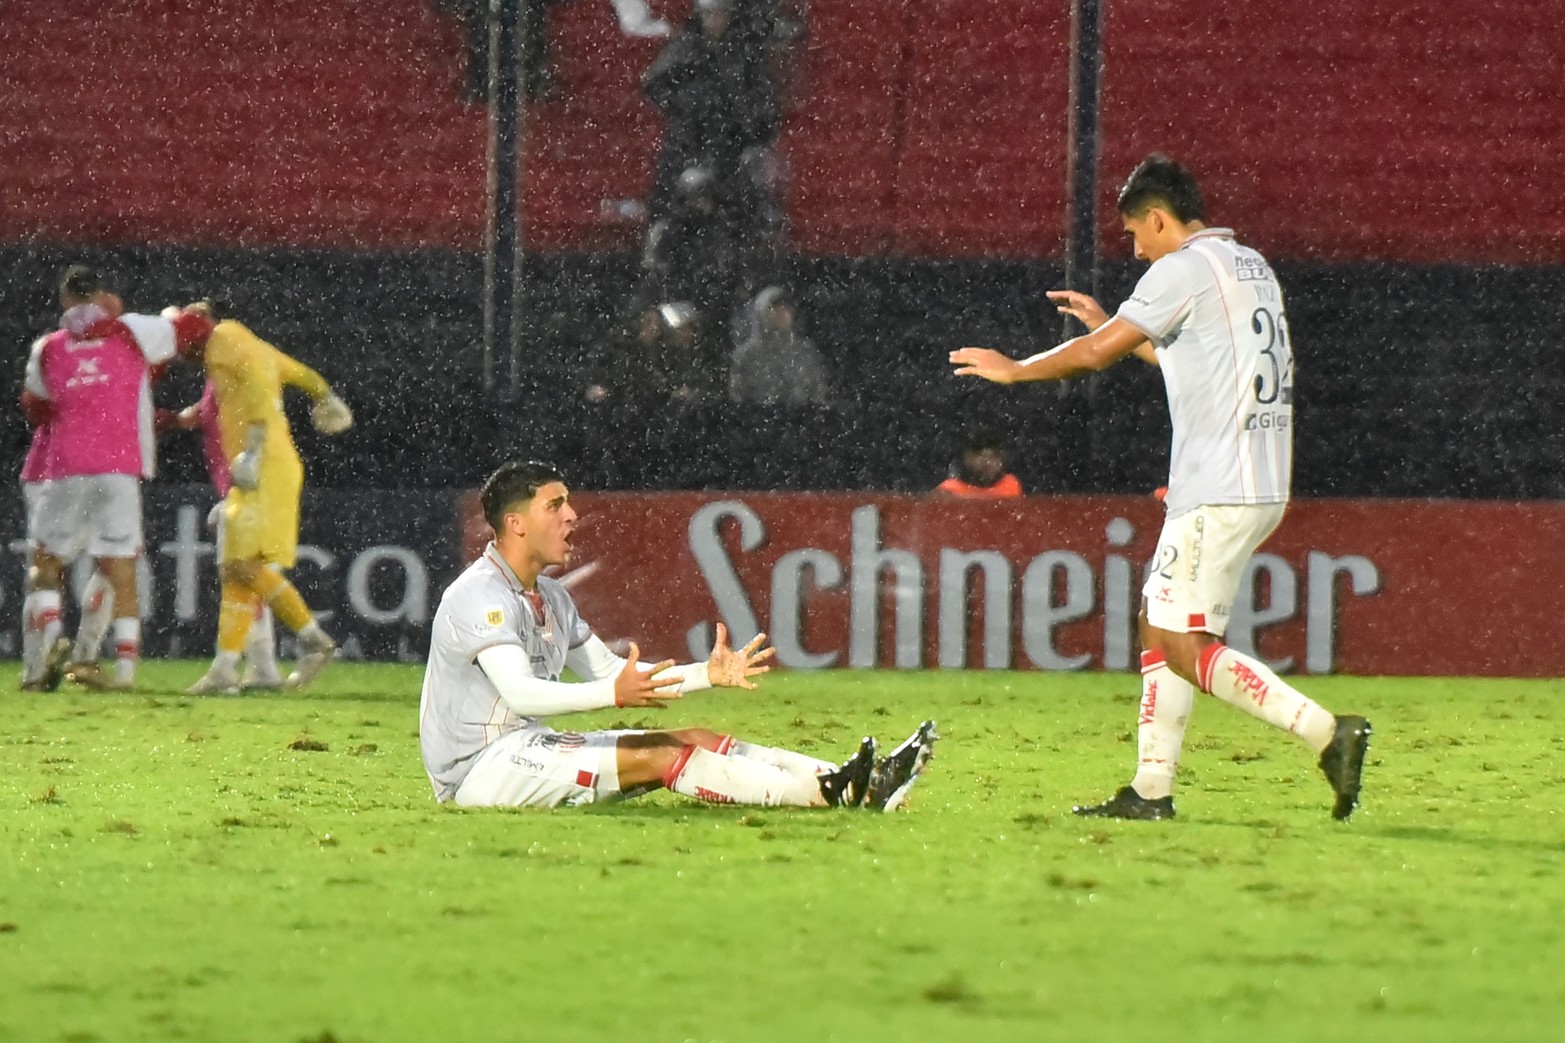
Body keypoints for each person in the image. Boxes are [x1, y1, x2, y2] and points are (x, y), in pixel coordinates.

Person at [949, 154, 1372, 821]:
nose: (1136, 250)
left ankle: (1326, 732)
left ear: (1156, 218)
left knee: (1183, 645)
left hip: (1216, 483)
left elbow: (1096, 357)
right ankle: (1150, 790)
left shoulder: (1182, 268)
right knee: (1159, 621)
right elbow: (1190, 356)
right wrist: (1112, 327)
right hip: (1259, 479)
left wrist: (1014, 369)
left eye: (1133, 235)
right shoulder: (1249, 265)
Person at [419, 459, 938, 811]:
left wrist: (704, 674)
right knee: (662, 759)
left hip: (529, 745)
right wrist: (612, 694)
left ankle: (861, 779)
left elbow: (611, 672)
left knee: (695, 739)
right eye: (555, 505)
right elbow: (521, 694)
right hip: (478, 771)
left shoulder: (552, 596)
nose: (572, 515)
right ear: (516, 523)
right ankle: (827, 795)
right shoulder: (479, 595)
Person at [19, 266, 211, 691]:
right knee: (118, 565)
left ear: (65, 300)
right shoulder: (133, 332)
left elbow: (36, 405)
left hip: (61, 465)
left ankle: (47, 658)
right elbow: (193, 329)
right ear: (107, 297)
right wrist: (178, 317)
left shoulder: (50, 346)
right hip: (115, 465)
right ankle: (103, 664)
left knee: (47, 564)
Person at [169, 300, 354, 695]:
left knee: (242, 565)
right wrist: (324, 395)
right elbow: (296, 371)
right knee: (235, 569)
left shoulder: (223, 342)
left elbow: (257, 385)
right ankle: (224, 668)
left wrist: (253, 447)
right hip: (263, 467)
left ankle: (313, 639)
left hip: (263, 466)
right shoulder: (247, 342)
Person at [160, 380, 283, 690]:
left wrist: (239, 495)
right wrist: (174, 419)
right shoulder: (223, 379)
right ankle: (262, 668)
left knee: (243, 579)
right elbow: (204, 415)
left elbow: (259, 422)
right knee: (249, 582)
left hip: (252, 496)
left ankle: (234, 667)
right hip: (251, 494)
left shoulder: (236, 374)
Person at [642, 0, 779, 221]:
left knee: (745, 189)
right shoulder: (685, 46)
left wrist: (748, 117)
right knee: (672, 187)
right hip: (690, 135)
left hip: (733, 137)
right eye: (709, 14)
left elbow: (762, 93)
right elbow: (654, 83)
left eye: (720, 14)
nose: (714, 20)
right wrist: (686, 102)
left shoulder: (743, 51)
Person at [728, 286, 828, 407]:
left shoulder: (806, 352)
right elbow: (738, 399)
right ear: (761, 313)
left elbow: (818, 394)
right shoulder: (745, 357)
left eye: (786, 308)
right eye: (775, 308)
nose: (782, 313)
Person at [934, 430, 1023, 499]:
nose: (987, 463)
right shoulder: (949, 491)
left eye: (994, 456)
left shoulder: (1012, 485)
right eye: (980, 456)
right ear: (967, 457)